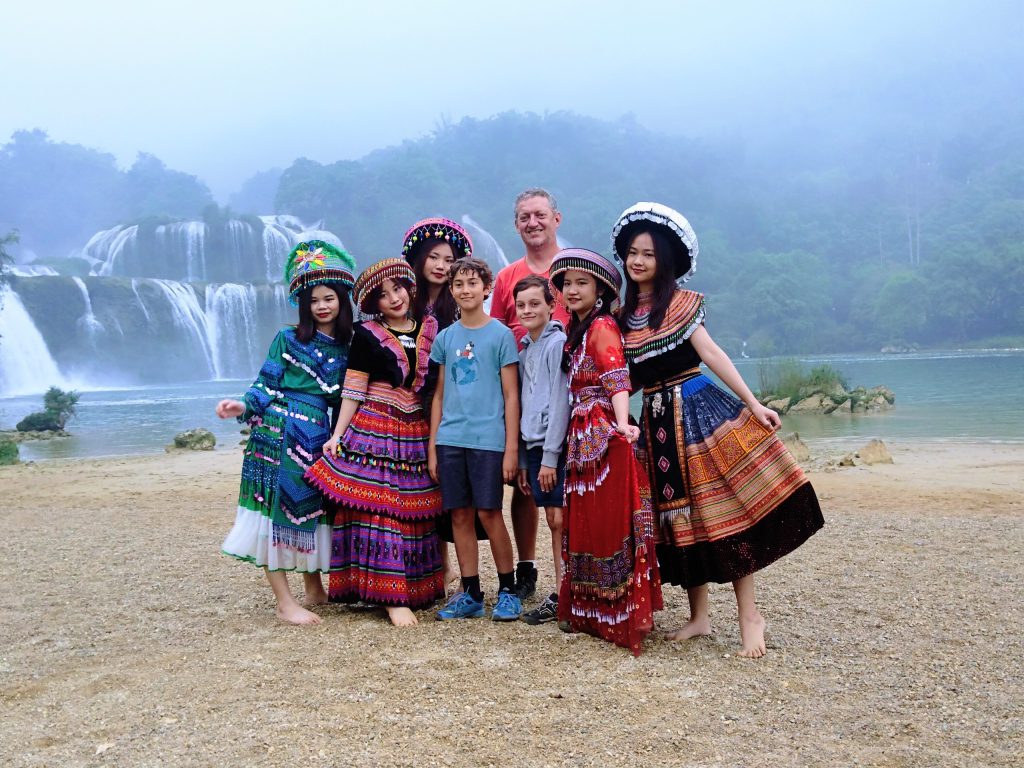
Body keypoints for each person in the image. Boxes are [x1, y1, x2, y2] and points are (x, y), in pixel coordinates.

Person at [612, 202, 825, 658]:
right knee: (678, 521)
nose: (638, 261)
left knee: (723, 511)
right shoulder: (620, 315)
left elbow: (712, 354)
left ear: (665, 260)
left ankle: (751, 616)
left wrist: (753, 402)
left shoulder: (683, 305)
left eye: (648, 253)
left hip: (697, 413)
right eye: (632, 252)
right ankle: (699, 617)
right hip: (655, 419)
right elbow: (621, 378)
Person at [217, 240, 355, 625]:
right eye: (314, 300)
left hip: (318, 435)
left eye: (329, 298)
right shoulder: (288, 339)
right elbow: (266, 383)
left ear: (342, 300)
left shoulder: (349, 345)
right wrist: (242, 406)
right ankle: (284, 602)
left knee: (310, 507)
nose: (322, 306)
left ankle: (313, 587)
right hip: (277, 434)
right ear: (304, 305)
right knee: (271, 514)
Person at [304, 258, 444, 627]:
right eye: (383, 296)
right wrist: (337, 436)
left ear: (409, 289)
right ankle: (389, 597)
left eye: (397, 289)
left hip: (416, 426)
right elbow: (354, 387)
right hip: (376, 425)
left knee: (415, 506)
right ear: (373, 304)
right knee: (378, 504)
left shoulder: (431, 327)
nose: (393, 298)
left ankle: (417, 589)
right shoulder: (366, 335)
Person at [549, 248, 662, 655]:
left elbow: (617, 377)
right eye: (567, 283)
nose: (572, 290)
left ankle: (616, 612)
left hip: (599, 429)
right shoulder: (577, 330)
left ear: (600, 290)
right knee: (589, 524)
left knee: (609, 524)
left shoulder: (600, 327)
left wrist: (622, 425)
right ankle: (594, 610)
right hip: (582, 438)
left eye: (582, 282)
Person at [428, 257, 523, 621]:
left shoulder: (500, 334)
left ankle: (508, 589)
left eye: (473, 283)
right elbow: (437, 395)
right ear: (451, 291)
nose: (465, 290)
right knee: (460, 515)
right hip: (451, 438)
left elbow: (511, 395)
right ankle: (470, 593)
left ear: (487, 289)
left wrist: (511, 448)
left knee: (489, 512)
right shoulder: (445, 338)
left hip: (488, 439)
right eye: (458, 284)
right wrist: (433, 447)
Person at [489, 188, 572, 600]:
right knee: (524, 485)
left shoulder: (575, 267)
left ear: (557, 218)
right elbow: (496, 337)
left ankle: (577, 579)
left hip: (572, 394)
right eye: (524, 217)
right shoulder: (507, 278)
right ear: (516, 224)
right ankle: (528, 567)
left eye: (540, 215)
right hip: (524, 397)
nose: (532, 222)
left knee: (569, 497)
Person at [402, 217, 488, 585]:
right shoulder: (406, 302)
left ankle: (455, 566)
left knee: (452, 486)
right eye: (433, 257)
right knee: (421, 480)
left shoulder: (462, 306)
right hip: (411, 401)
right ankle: (428, 562)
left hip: (454, 400)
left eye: (447, 258)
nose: (440, 265)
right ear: (420, 260)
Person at [512, 275, 570, 626]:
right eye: (522, 305)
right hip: (532, 444)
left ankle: (567, 593)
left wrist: (550, 456)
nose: (528, 310)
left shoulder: (557, 343)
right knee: (552, 520)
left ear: (551, 306)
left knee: (560, 519)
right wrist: (522, 460)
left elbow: (561, 400)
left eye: (535, 303)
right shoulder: (525, 349)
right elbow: (520, 403)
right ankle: (564, 590)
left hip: (554, 445)